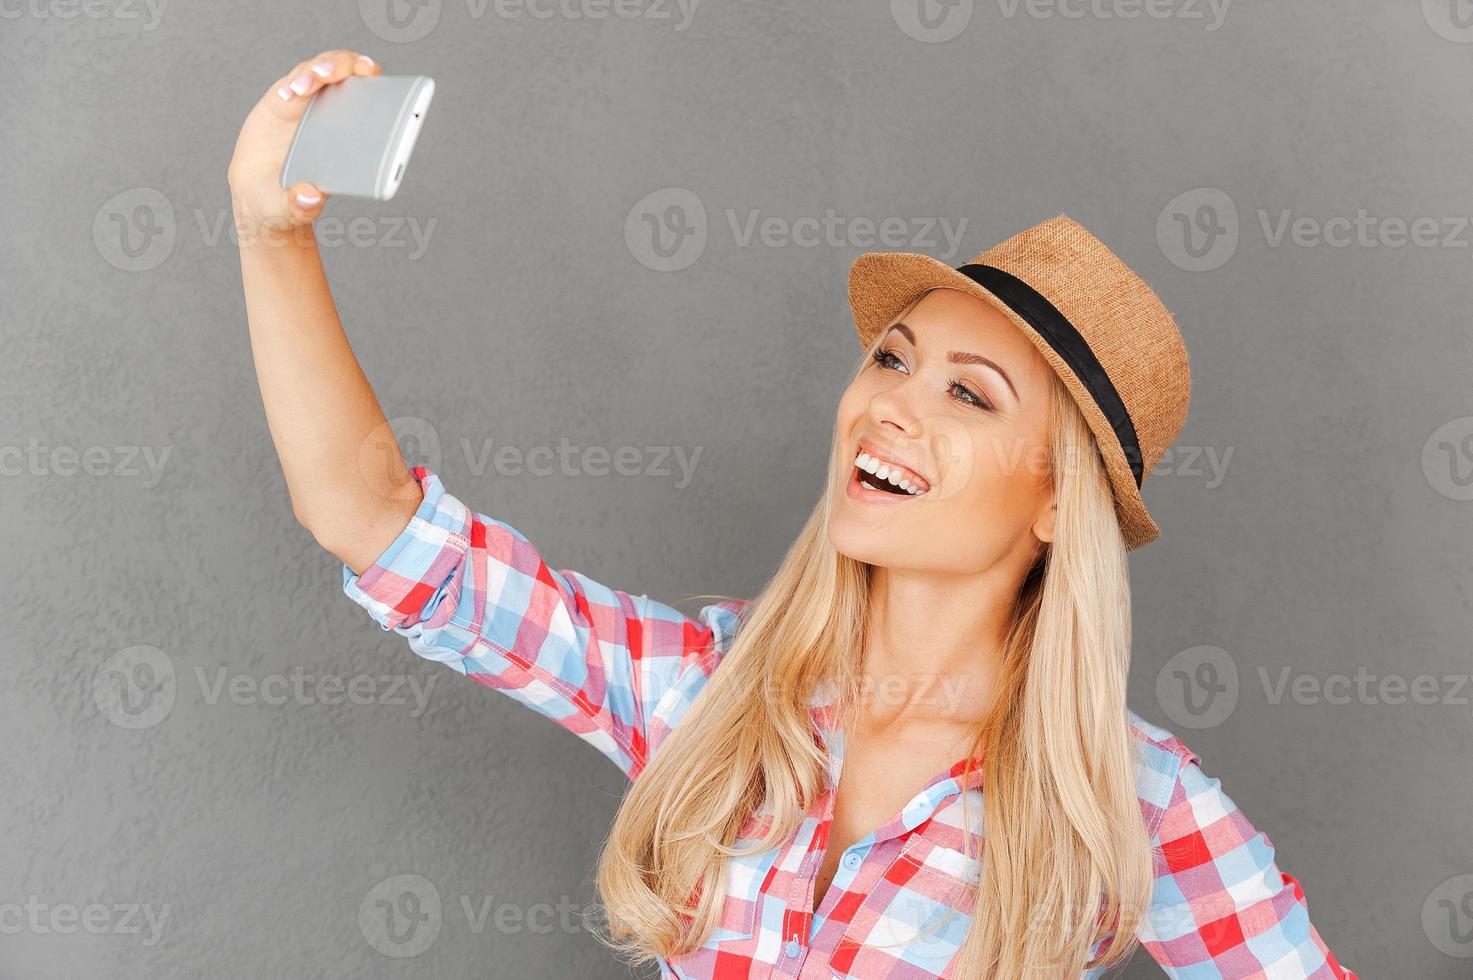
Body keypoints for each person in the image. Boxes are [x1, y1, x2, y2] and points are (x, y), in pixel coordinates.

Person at [229, 49, 1359, 979]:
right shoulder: (710, 692)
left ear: (1058, 500)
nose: (890, 406)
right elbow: (371, 518)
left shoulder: (1127, 798)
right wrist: (271, 235)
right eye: (892, 357)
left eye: (969, 394)